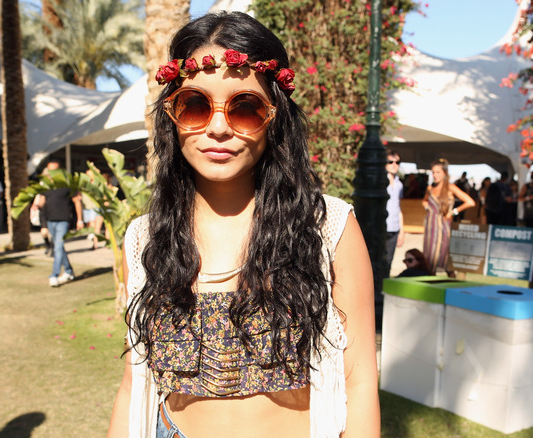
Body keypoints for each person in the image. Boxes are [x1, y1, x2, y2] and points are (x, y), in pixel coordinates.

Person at [107, 12, 379, 438]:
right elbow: (133, 382)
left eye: (246, 109)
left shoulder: (327, 228)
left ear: (276, 119)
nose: (218, 128)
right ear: (171, 115)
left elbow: (360, 381)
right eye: (195, 105)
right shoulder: (145, 237)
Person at [422, 158, 475, 275]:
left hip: (443, 226)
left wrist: (454, 212)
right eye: (433, 172)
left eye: (438, 172)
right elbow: (424, 201)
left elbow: (470, 202)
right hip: (430, 226)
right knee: (429, 258)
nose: (435, 175)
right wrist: (427, 207)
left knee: (444, 258)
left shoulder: (450, 187)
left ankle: (452, 286)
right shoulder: (430, 188)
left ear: (444, 173)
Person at [38, 158, 83, 287]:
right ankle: (69, 271)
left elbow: (77, 202)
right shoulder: (46, 185)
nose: (51, 173)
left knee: (57, 247)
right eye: (49, 170)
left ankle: (54, 275)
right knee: (59, 248)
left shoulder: (67, 184)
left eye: (54, 170)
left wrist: (80, 219)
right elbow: (42, 205)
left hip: (63, 221)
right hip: (50, 221)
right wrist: (43, 225)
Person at [385, 150, 405, 275]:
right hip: (381, 227)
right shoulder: (380, 181)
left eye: (397, 162)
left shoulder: (399, 185)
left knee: (388, 262)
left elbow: (398, 207)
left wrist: (402, 231)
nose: (394, 164)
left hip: (394, 227)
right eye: (390, 161)